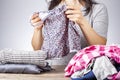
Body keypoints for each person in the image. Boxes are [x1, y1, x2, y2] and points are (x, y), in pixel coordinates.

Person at [30, 0, 108, 62]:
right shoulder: (50, 8)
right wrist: (37, 28)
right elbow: (37, 49)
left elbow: (100, 46)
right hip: (52, 69)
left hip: (81, 70)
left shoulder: (97, 9)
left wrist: (82, 22)